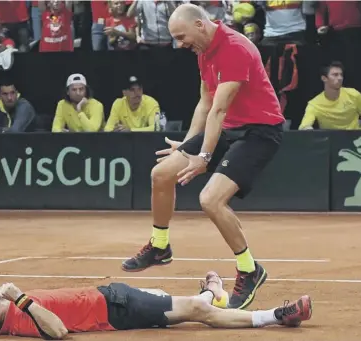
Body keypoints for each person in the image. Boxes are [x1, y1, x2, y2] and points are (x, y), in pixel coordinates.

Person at [121, 3, 285, 311]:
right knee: (161, 174)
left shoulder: (235, 48)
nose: (180, 45)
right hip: (229, 128)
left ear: (200, 25)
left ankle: (250, 269)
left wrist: (204, 156)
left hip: (260, 131)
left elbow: (220, 109)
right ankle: (160, 247)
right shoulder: (204, 52)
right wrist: (188, 146)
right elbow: (205, 103)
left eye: (182, 37)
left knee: (210, 200)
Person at [0, 271, 312, 338]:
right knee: (196, 313)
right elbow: (57, 330)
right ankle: (278, 316)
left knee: (182, 303)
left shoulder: (1, 307)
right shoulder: (18, 318)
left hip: (112, 295)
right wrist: (21, 296)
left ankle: (211, 289)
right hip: (117, 310)